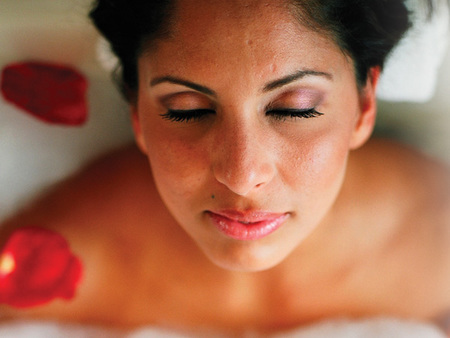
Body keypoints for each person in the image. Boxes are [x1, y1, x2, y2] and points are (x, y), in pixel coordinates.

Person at [0, 0, 449, 335]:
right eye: (187, 110)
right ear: (136, 113)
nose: (241, 174)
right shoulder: (62, 258)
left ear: (365, 106)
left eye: (294, 108)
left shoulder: (435, 242)